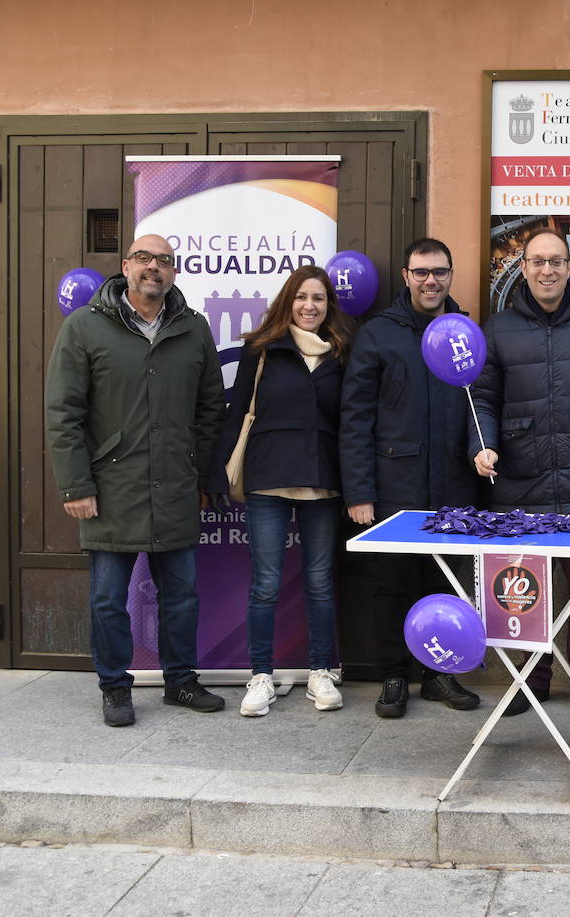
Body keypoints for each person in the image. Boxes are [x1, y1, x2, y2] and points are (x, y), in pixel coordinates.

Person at [45, 234, 226, 726]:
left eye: (164, 261)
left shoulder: (193, 329)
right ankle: (113, 686)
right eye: (144, 259)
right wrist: (75, 485)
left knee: (183, 596)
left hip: (175, 488)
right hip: (109, 491)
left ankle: (181, 682)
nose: (154, 268)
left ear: (173, 272)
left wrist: (199, 469)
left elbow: (211, 407)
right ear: (126, 265)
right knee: (108, 599)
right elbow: (63, 413)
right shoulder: (85, 327)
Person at [471, 228, 570, 721]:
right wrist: (483, 446)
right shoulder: (496, 329)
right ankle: (530, 679)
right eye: (538, 262)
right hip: (520, 478)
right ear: (522, 268)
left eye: (556, 262)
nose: (547, 271)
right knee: (522, 589)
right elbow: (483, 400)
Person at [339, 238, 483, 717]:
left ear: (450, 275)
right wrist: (359, 491)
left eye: (439, 271)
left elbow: (478, 408)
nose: (430, 281)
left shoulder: (463, 333)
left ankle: (439, 676)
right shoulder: (379, 333)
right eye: (421, 272)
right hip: (393, 485)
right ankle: (394, 677)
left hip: (453, 485)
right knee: (392, 585)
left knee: (443, 584)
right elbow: (355, 417)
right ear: (406, 276)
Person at [208, 266, 351, 717]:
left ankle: (321, 672)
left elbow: (350, 422)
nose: (310, 306)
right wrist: (217, 469)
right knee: (266, 584)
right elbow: (237, 413)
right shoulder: (262, 348)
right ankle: (261, 676)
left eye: (319, 298)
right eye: (302, 297)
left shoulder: (342, 353)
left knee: (320, 583)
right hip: (268, 477)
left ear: (329, 306)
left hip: (323, 481)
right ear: (288, 300)